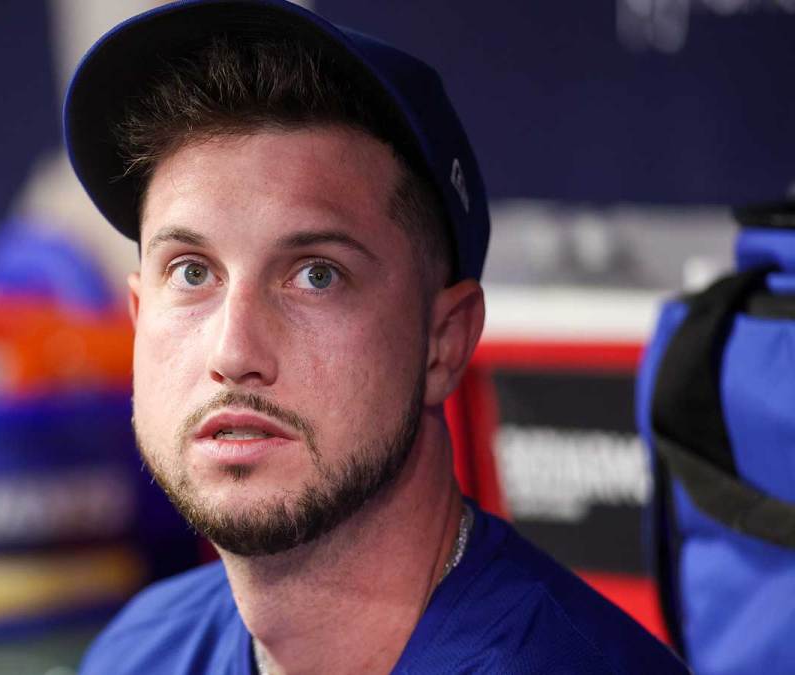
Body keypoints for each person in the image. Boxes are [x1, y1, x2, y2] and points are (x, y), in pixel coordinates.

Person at [63, 1, 688, 673]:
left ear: (443, 341)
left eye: (316, 275)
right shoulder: (138, 650)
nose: (232, 352)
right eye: (191, 272)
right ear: (137, 314)